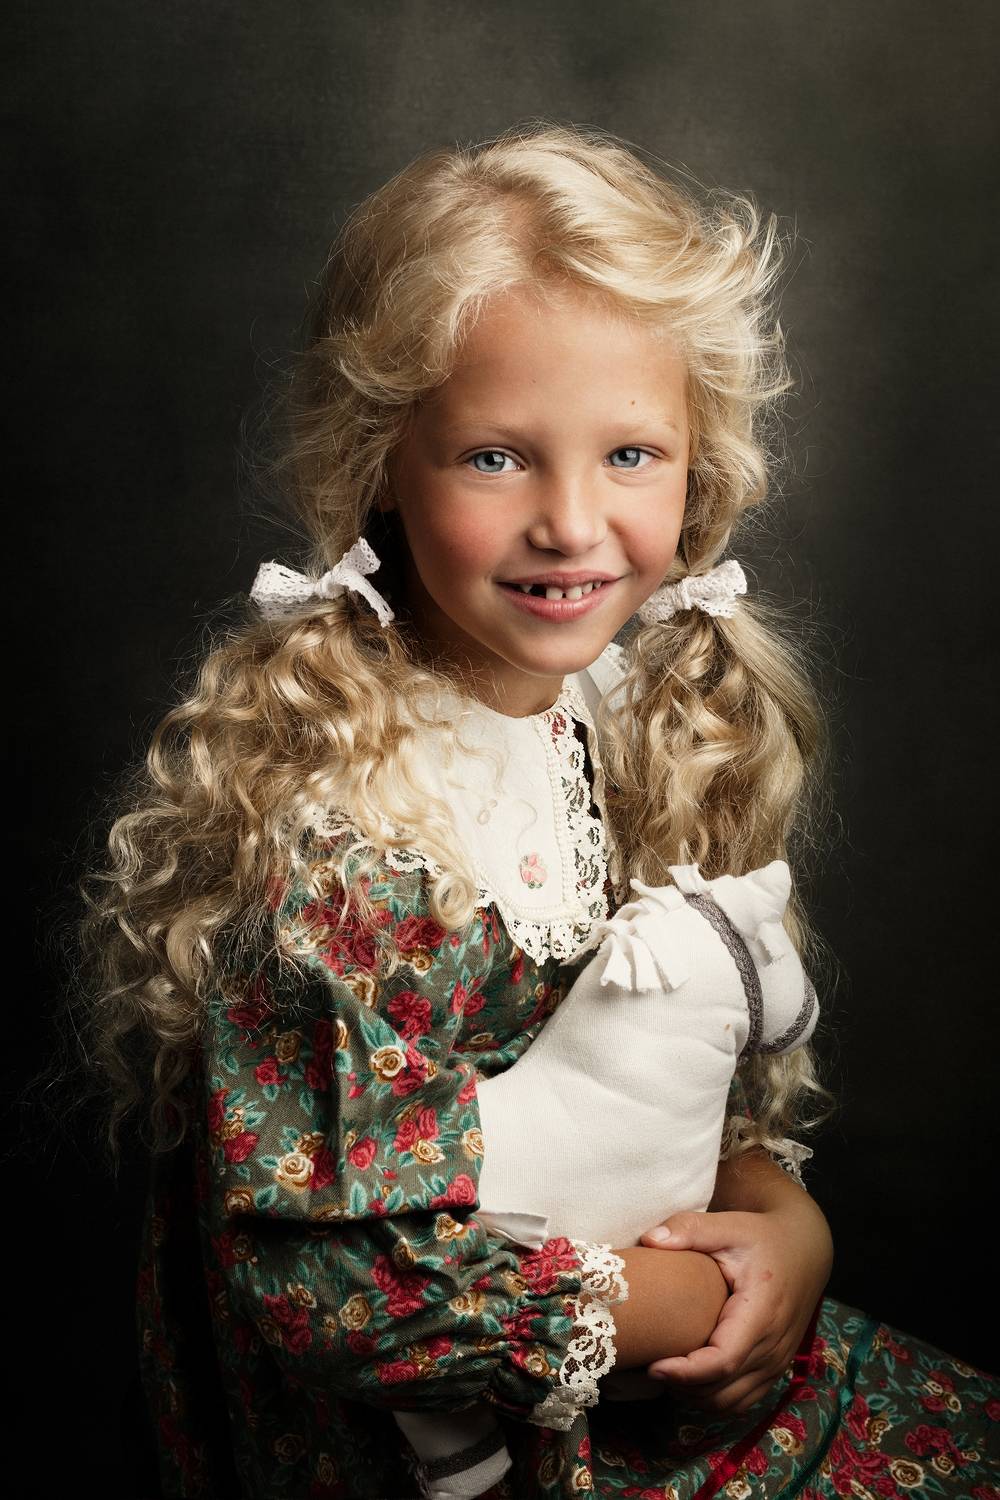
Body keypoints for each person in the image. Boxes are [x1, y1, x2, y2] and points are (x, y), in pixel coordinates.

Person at [72, 123, 999, 1499]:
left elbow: (666, 1091)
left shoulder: (629, 724)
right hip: (462, 1445)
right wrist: (701, 1300)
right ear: (383, 465)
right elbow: (346, 1296)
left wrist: (789, 1232)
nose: (571, 523)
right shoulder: (343, 832)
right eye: (497, 458)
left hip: (667, 1365)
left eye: (631, 453)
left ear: (698, 464)